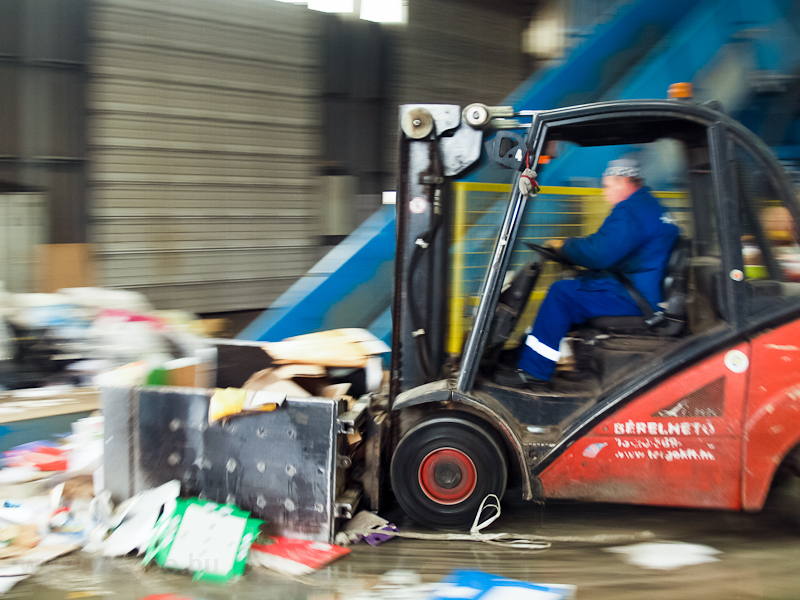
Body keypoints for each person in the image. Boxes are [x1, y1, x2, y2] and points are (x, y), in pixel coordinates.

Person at [494, 158, 680, 389]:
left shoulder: (631, 211)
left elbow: (600, 252)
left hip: (633, 297)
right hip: (639, 288)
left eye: (608, 185)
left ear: (623, 181)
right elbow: (615, 250)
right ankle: (525, 354)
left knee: (562, 294)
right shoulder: (650, 206)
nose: (604, 193)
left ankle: (533, 372)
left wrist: (564, 246)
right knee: (573, 288)